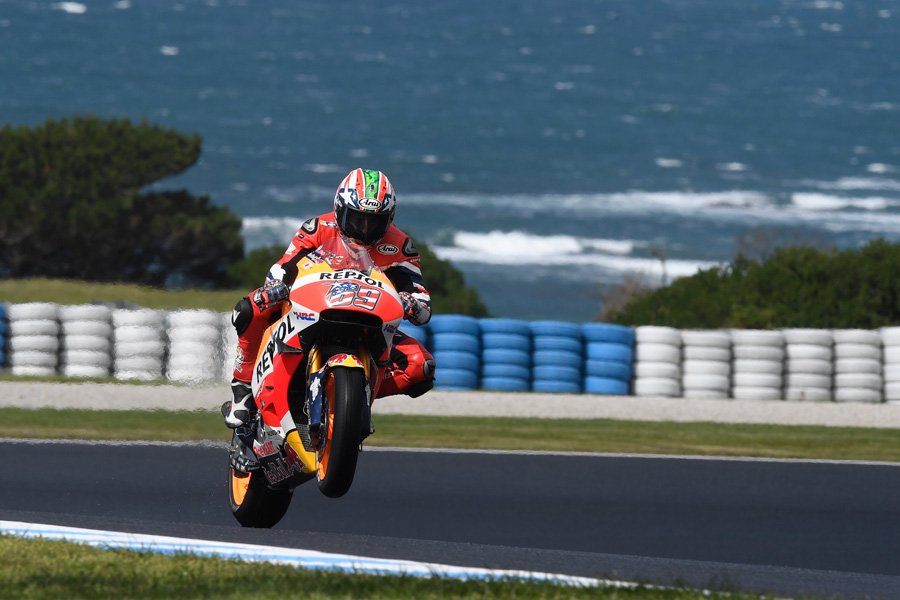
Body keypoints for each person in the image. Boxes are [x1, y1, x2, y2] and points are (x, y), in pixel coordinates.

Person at [224, 168, 435, 428]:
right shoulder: (317, 228)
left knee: (420, 367)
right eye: (357, 219)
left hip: (369, 321)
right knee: (249, 308)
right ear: (339, 209)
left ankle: (351, 396)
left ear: (389, 218)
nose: (365, 229)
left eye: (374, 221)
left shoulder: (400, 246)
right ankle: (242, 387)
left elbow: (420, 297)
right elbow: (283, 268)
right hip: (312, 311)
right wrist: (277, 287)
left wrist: (413, 303)